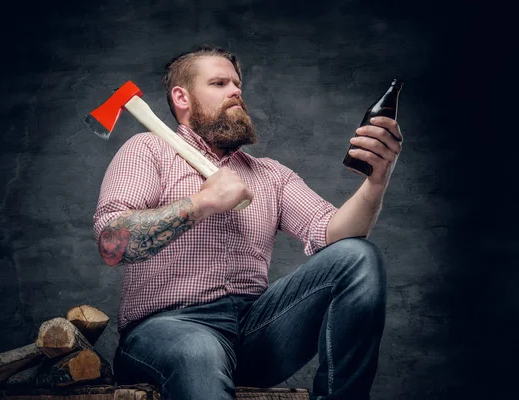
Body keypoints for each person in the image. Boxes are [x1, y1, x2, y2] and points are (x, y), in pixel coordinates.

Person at [93, 45, 403, 400]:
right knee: (199, 350)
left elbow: (336, 236)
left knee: (358, 256)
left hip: (256, 331)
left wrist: (376, 182)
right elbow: (111, 244)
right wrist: (202, 202)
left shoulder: (270, 175)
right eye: (219, 83)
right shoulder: (147, 150)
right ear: (182, 97)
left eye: (237, 84)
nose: (236, 91)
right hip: (165, 329)